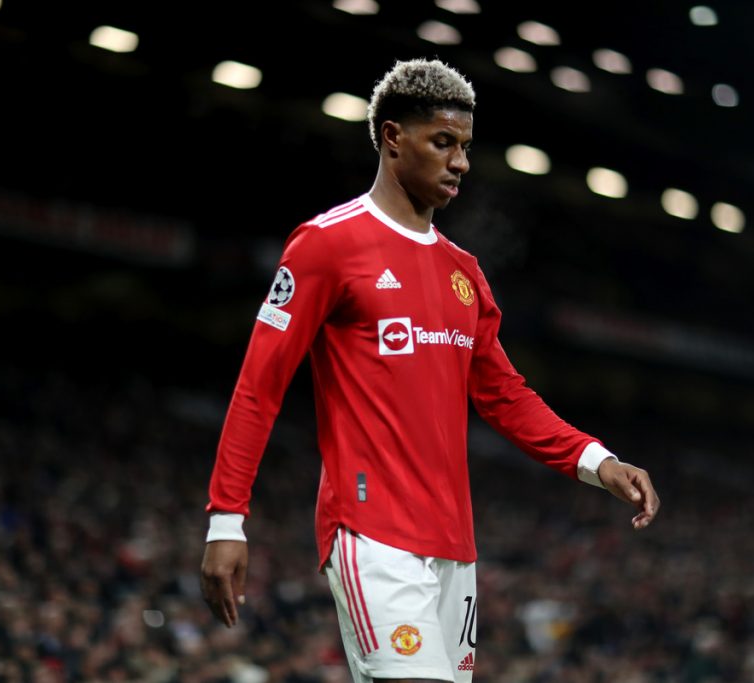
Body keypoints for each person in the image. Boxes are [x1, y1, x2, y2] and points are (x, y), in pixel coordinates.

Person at [200, 57, 660, 682]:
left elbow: (504, 395)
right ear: (393, 137)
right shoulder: (327, 244)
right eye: (443, 142)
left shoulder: (464, 271)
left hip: (454, 547)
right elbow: (259, 386)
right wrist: (227, 520)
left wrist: (597, 461)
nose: (460, 162)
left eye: (465, 147)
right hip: (372, 534)